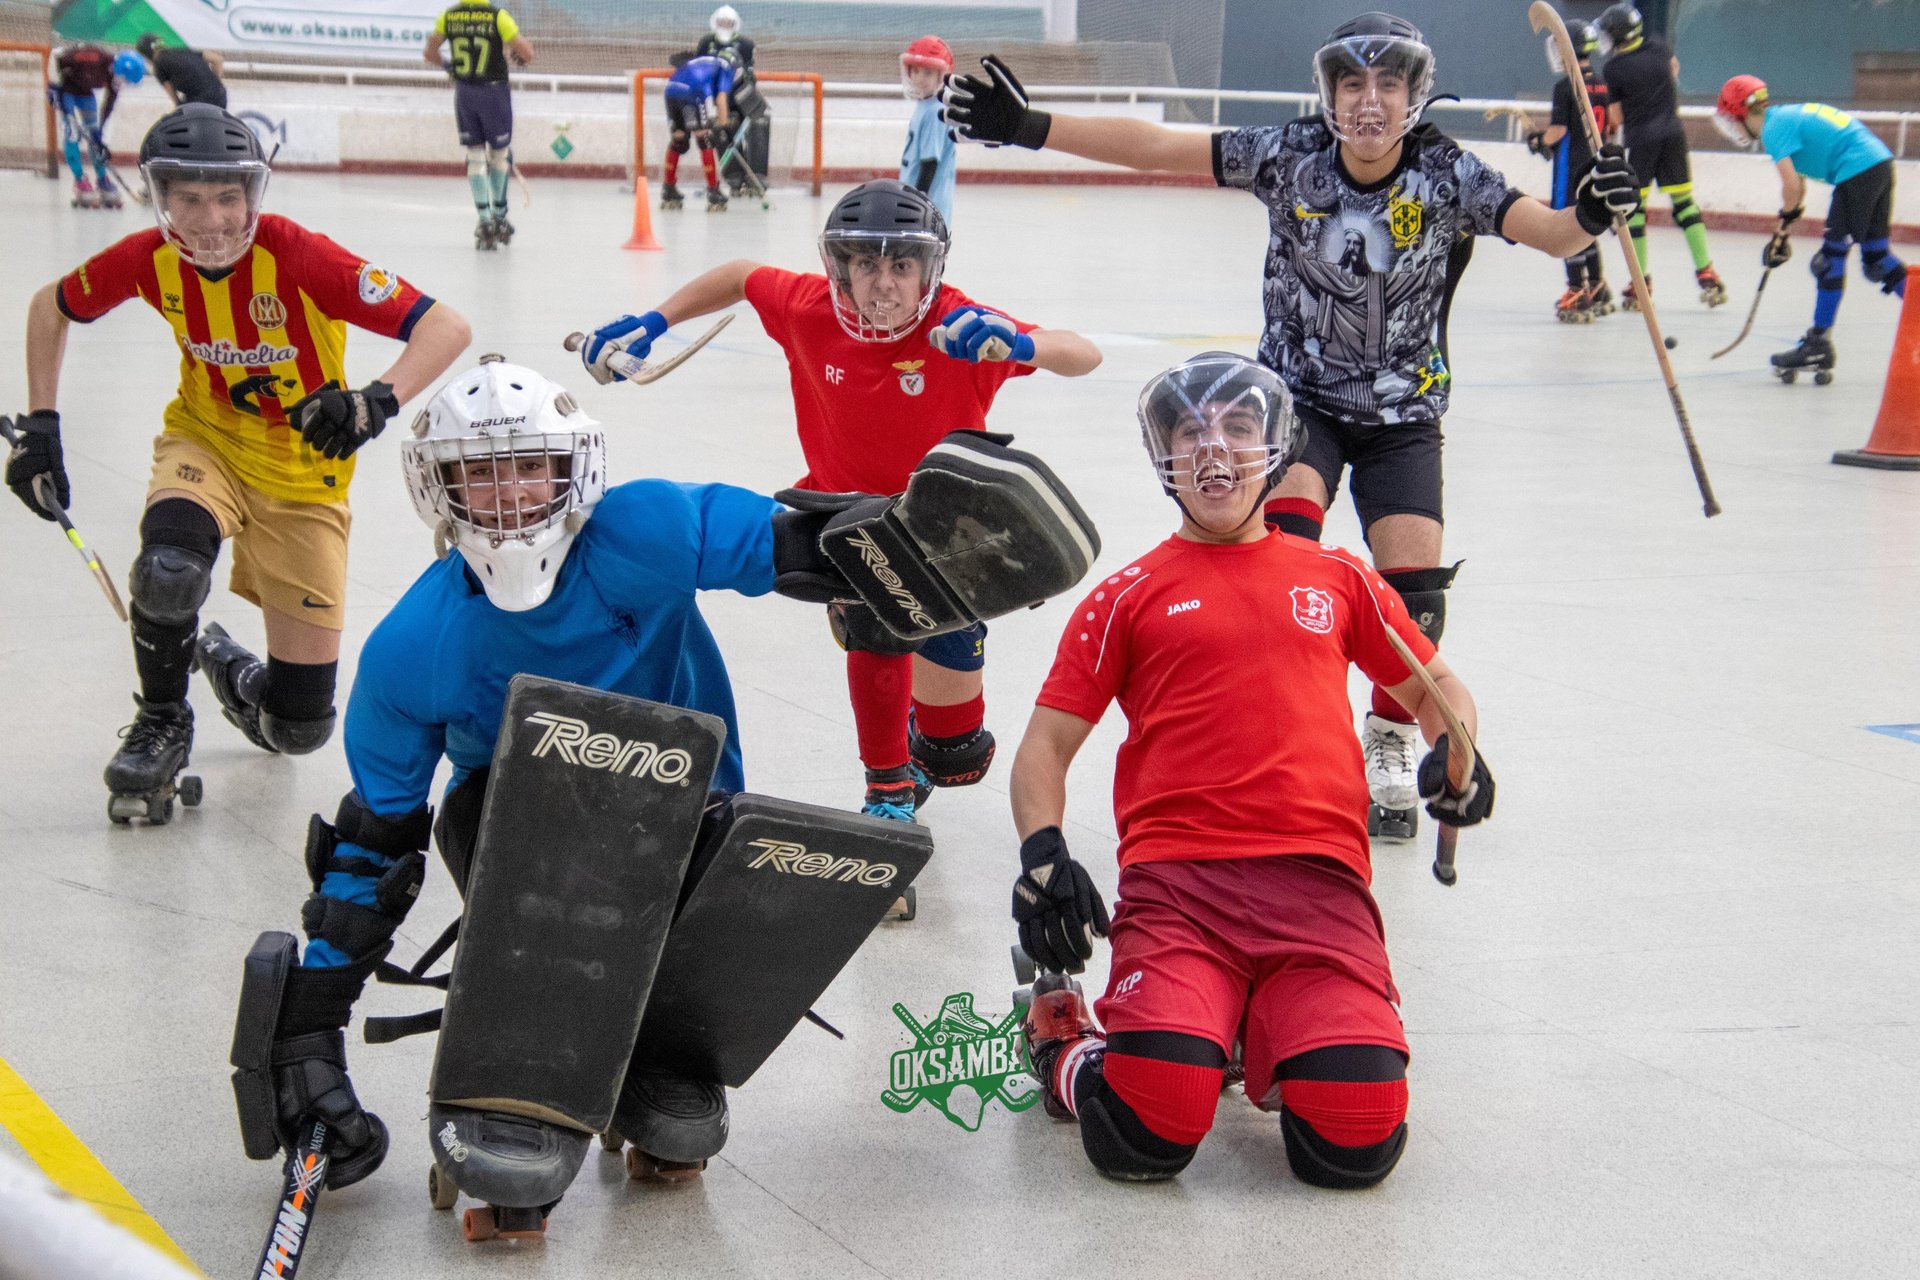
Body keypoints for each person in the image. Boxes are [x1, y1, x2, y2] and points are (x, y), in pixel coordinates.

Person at [225, 355, 1087, 1204]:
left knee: (767, 879)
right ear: (436, 489)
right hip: (516, 824)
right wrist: (310, 1022)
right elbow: (375, 847)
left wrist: (917, 545)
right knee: (552, 853)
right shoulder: (411, 648)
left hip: (691, 807)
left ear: (578, 470)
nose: (514, 495)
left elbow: (793, 545)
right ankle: (518, 1062)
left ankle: (666, 1053)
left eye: (533, 467)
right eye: (480, 476)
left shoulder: (645, 530)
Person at [941, 11, 1630, 840]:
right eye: (1351, 83)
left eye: (1387, 84)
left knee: (1412, 603)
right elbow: (1158, 147)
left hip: (1404, 415)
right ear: (1329, 93)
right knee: (1286, 565)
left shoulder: (1448, 172)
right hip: (1299, 407)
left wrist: (1590, 212)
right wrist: (1031, 126)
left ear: (1414, 95)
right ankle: (1287, 733)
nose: (1368, 102)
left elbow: (1551, 233)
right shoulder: (1290, 154)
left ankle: (1387, 735)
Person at [1006, 352, 1494, 1188]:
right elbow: (1044, 748)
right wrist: (1043, 855)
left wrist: (1459, 746)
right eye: (1189, 432)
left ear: (1274, 445)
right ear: (1162, 454)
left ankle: (1246, 1030)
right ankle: (1066, 1043)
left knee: (1355, 1144)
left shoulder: (1339, 578)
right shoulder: (1126, 594)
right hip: (1180, 890)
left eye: (1236, 428)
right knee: (1143, 1135)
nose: (1213, 451)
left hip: (1321, 892)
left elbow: (1435, 686)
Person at [576, 179, 1101, 837]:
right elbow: (741, 274)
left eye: (902, 266)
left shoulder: (960, 327)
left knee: (956, 755)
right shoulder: (806, 308)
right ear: (839, 269)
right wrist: (653, 321)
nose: (884, 284)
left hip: (945, 538)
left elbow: (1084, 353)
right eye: (867, 264)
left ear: (929, 271)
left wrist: (1023, 345)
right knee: (875, 624)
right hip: (848, 519)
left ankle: (923, 745)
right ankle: (886, 793)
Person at [7, 104, 470, 824]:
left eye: (228, 198)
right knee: (168, 570)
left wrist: (376, 401)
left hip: (304, 478)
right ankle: (162, 719)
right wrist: (42, 426)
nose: (211, 220)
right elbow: (50, 306)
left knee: (297, 730)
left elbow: (446, 327)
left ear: (254, 195)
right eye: (187, 200)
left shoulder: (302, 255)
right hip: (207, 442)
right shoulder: (149, 260)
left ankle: (223, 661)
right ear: (159, 198)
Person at [1714, 76, 1905, 383]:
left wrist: (1780, 231)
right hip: (1878, 163)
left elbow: (1791, 185)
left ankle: (1818, 343)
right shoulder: (1784, 117)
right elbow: (1798, 188)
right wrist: (1783, 232)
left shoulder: (1773, 129)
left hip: (1857, 171)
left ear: (1741, 113)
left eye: (1732, 120)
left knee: (1830, 261)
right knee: (1876, 260)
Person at [1597, 2, 1725, 308]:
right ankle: (1707, 272)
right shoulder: (1657, 44)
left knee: (1635, 211)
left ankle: (1641, 282)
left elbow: (1616, 117)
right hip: (1673, 135)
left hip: (1642, 141)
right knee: (1684, 205)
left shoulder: (1614, 69)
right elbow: (1674, 68)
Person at [425, 0, 535, 251]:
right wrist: (520, 48)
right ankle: (499, 216)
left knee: (475, 156)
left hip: (465, 93)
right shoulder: (498, 17)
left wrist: (448, 66)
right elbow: (527, 54)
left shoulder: (449, 17)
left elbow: (430, 53)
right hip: (494, 93)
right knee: (500, 155)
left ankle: (484, 221)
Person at [1528, 19, 1614, 321]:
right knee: (1588, 224)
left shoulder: (1566, 85)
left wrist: (1539, 140)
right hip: (1596, 164)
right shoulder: (1602, 82)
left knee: (1568, 224)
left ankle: (1578, 288)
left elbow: (1558, 130)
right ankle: (1599, 285)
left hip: (1572, 166)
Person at [47, 43, 141, 208]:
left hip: (85, 93)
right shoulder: (93, 56)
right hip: (65, 90)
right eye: (124, 79)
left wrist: (101, 132)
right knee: (72, 133)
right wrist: (52, 86)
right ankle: (80, 180)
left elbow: (108, 105)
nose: (122, 83)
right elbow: (56, 55)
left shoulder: (116, 78)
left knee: (94, 135)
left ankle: (102, 178)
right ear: (119, 68)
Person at [661, 49, 737, 211]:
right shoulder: (726, 67)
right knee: (705, 140)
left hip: (671, 90)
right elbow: (721, 98)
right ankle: (713, 190)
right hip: (691, 95)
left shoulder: (705, 59)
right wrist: (723, 128)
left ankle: (668, 188)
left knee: (679, 141)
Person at [900, 36, 958, 225]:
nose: (919, 78)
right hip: (917, 201)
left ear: (942, 76)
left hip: (927, 207)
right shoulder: (925, 105)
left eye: (928, 72)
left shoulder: (935, 111)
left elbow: (930, 162)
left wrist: (917, 201)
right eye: (915, 71)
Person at [134, 32, 226, 109]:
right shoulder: (181, 48)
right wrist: (215, 84)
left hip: (199, 104)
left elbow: (176, 101)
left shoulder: (158, 66)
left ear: (146, 55)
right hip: (221, 96)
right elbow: (218, 60)